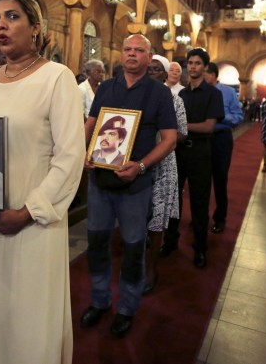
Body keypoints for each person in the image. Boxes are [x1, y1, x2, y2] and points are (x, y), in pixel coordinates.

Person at [0, 0, 85, 364]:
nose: (0, 24)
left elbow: (70, 157)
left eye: (12, 16)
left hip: (32, 223)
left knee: (28, 318)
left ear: (35, 28)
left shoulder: (56, 77)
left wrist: (28, 211)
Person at [81, 34, 177, 337]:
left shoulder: (160, 93)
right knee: (97, 243)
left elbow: (171, 138)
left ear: (149, 57)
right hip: (100, 181)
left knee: (134, 247)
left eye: (139, 50)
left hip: (136, 185)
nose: (132, 54)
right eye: (128, 49)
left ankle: (127, 308)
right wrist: (82, 151)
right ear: (121, 54)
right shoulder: (107, 87)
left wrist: (142, 165)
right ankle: (99, 299)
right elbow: (91, 123)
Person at [161, 48, 224, 269]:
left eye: (198, 63)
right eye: (191, 63)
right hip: (179, 152)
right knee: (173, 200)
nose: (194, 67)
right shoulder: (182, 95)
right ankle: (170, 242)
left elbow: (209, 126)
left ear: (206, 67)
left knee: (199, 202)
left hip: (200, 152)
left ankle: (200, 248)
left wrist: (182, 128)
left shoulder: (213, 94)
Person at [143, 54, 187, 294]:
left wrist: (161, 137)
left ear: (164, 74)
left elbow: (182, 132)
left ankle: (151, 266)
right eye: (148, 67)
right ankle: (136, 261)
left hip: (163, 164)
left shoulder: (174, 99)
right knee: (137, 216)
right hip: (138, 161)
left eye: (156, 68)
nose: (151, 71)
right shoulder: (136, 94)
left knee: (156, 219)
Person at [204, 62, 243, 234]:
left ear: (214, 75)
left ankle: (220, 218)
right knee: (201, 182)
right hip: (202, 139)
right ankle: (200, 216)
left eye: (206, 72)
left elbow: (238, 116)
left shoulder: (227, 92)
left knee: (220, 181)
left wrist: (221, 117)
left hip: (221, 139)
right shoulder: (199, 92)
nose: (203, 76)